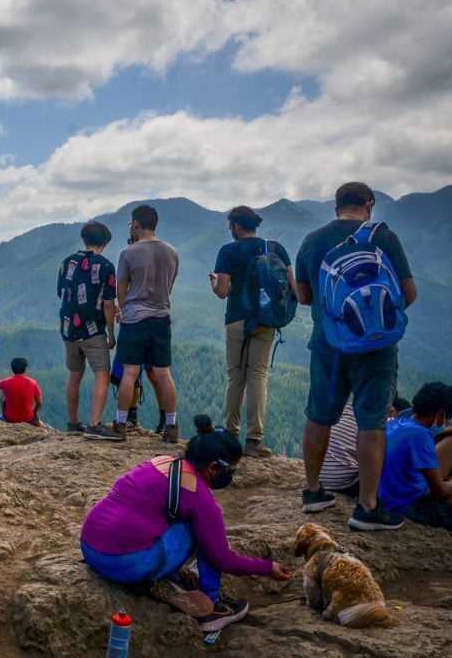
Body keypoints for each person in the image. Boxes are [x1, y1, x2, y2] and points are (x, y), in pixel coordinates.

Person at [80, 417, 292, 632]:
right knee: (202, 534)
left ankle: (168, 577)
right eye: (231, 471)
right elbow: (221, 558)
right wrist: (266, 567)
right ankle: (212, 608)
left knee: (169, 520)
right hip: (123, 563)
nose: (232, 476)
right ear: (213, 468)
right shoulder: (200, 500)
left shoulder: (162, 462)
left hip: (89, 547)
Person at [295, 181, 417, 530]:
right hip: (377, 348)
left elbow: (304, 296)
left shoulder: (313, 239)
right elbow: (408, 292)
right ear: (370, 204)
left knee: (319, 415)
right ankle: (367, 506)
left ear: (336, 205)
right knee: (371, 422)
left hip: (328, 343)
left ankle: (314, 492)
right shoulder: (384, 238)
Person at [209, 206, 296, 458]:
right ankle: (254, 440)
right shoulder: (274, 248)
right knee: (258, 375)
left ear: (236, 226)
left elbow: (223, 291)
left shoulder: (228, 251)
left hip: (236, 319)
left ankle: (230, 434)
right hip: (265, 320)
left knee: (236, 377)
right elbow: (292, 287)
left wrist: (215, 282)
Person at [110, 205, 181, 443]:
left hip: (134, 319)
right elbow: (169, 287)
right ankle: (171, 426)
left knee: (129, 372)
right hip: (162, 317)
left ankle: (121, 423)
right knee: (163, 373)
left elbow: (121, 291)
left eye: (131, 224)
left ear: (136, 224)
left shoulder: (128, 253)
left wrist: (126, 307)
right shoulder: (172, 252)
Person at [378, 382, 452, 530]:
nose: (448, 422)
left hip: (389, 497)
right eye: (449, 418)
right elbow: (440, 492)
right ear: (440, 414)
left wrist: (442, 436)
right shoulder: (422, 436)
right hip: (411, 509)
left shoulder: (395, 423)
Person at [58, 221, 117, 436]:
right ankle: (94, 424)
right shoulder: (106, 266)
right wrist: (111, 332)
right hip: (92, 329)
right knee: (102, 374)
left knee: (75, 374)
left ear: (84, 239)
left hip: (67, 328)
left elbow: (61, 294)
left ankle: (73, 423)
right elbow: (109, 304)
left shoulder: (66, 263)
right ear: (106, 242)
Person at [320, 397, 409, 497]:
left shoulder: (347, 408)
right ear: (391, 410)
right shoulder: (382, 420)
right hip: (344, 484)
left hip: (320, 479)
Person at [0, 358, 43, 426]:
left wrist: (7, 383)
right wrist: (34, 411)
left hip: (10, 418)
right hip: (28, 418)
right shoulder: (33, 383)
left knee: (4, 391)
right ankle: (39, 424)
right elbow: (39, 403)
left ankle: (3, 415)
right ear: (25, 369)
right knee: (39, 423)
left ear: (12, 369)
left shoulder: (6, 382)